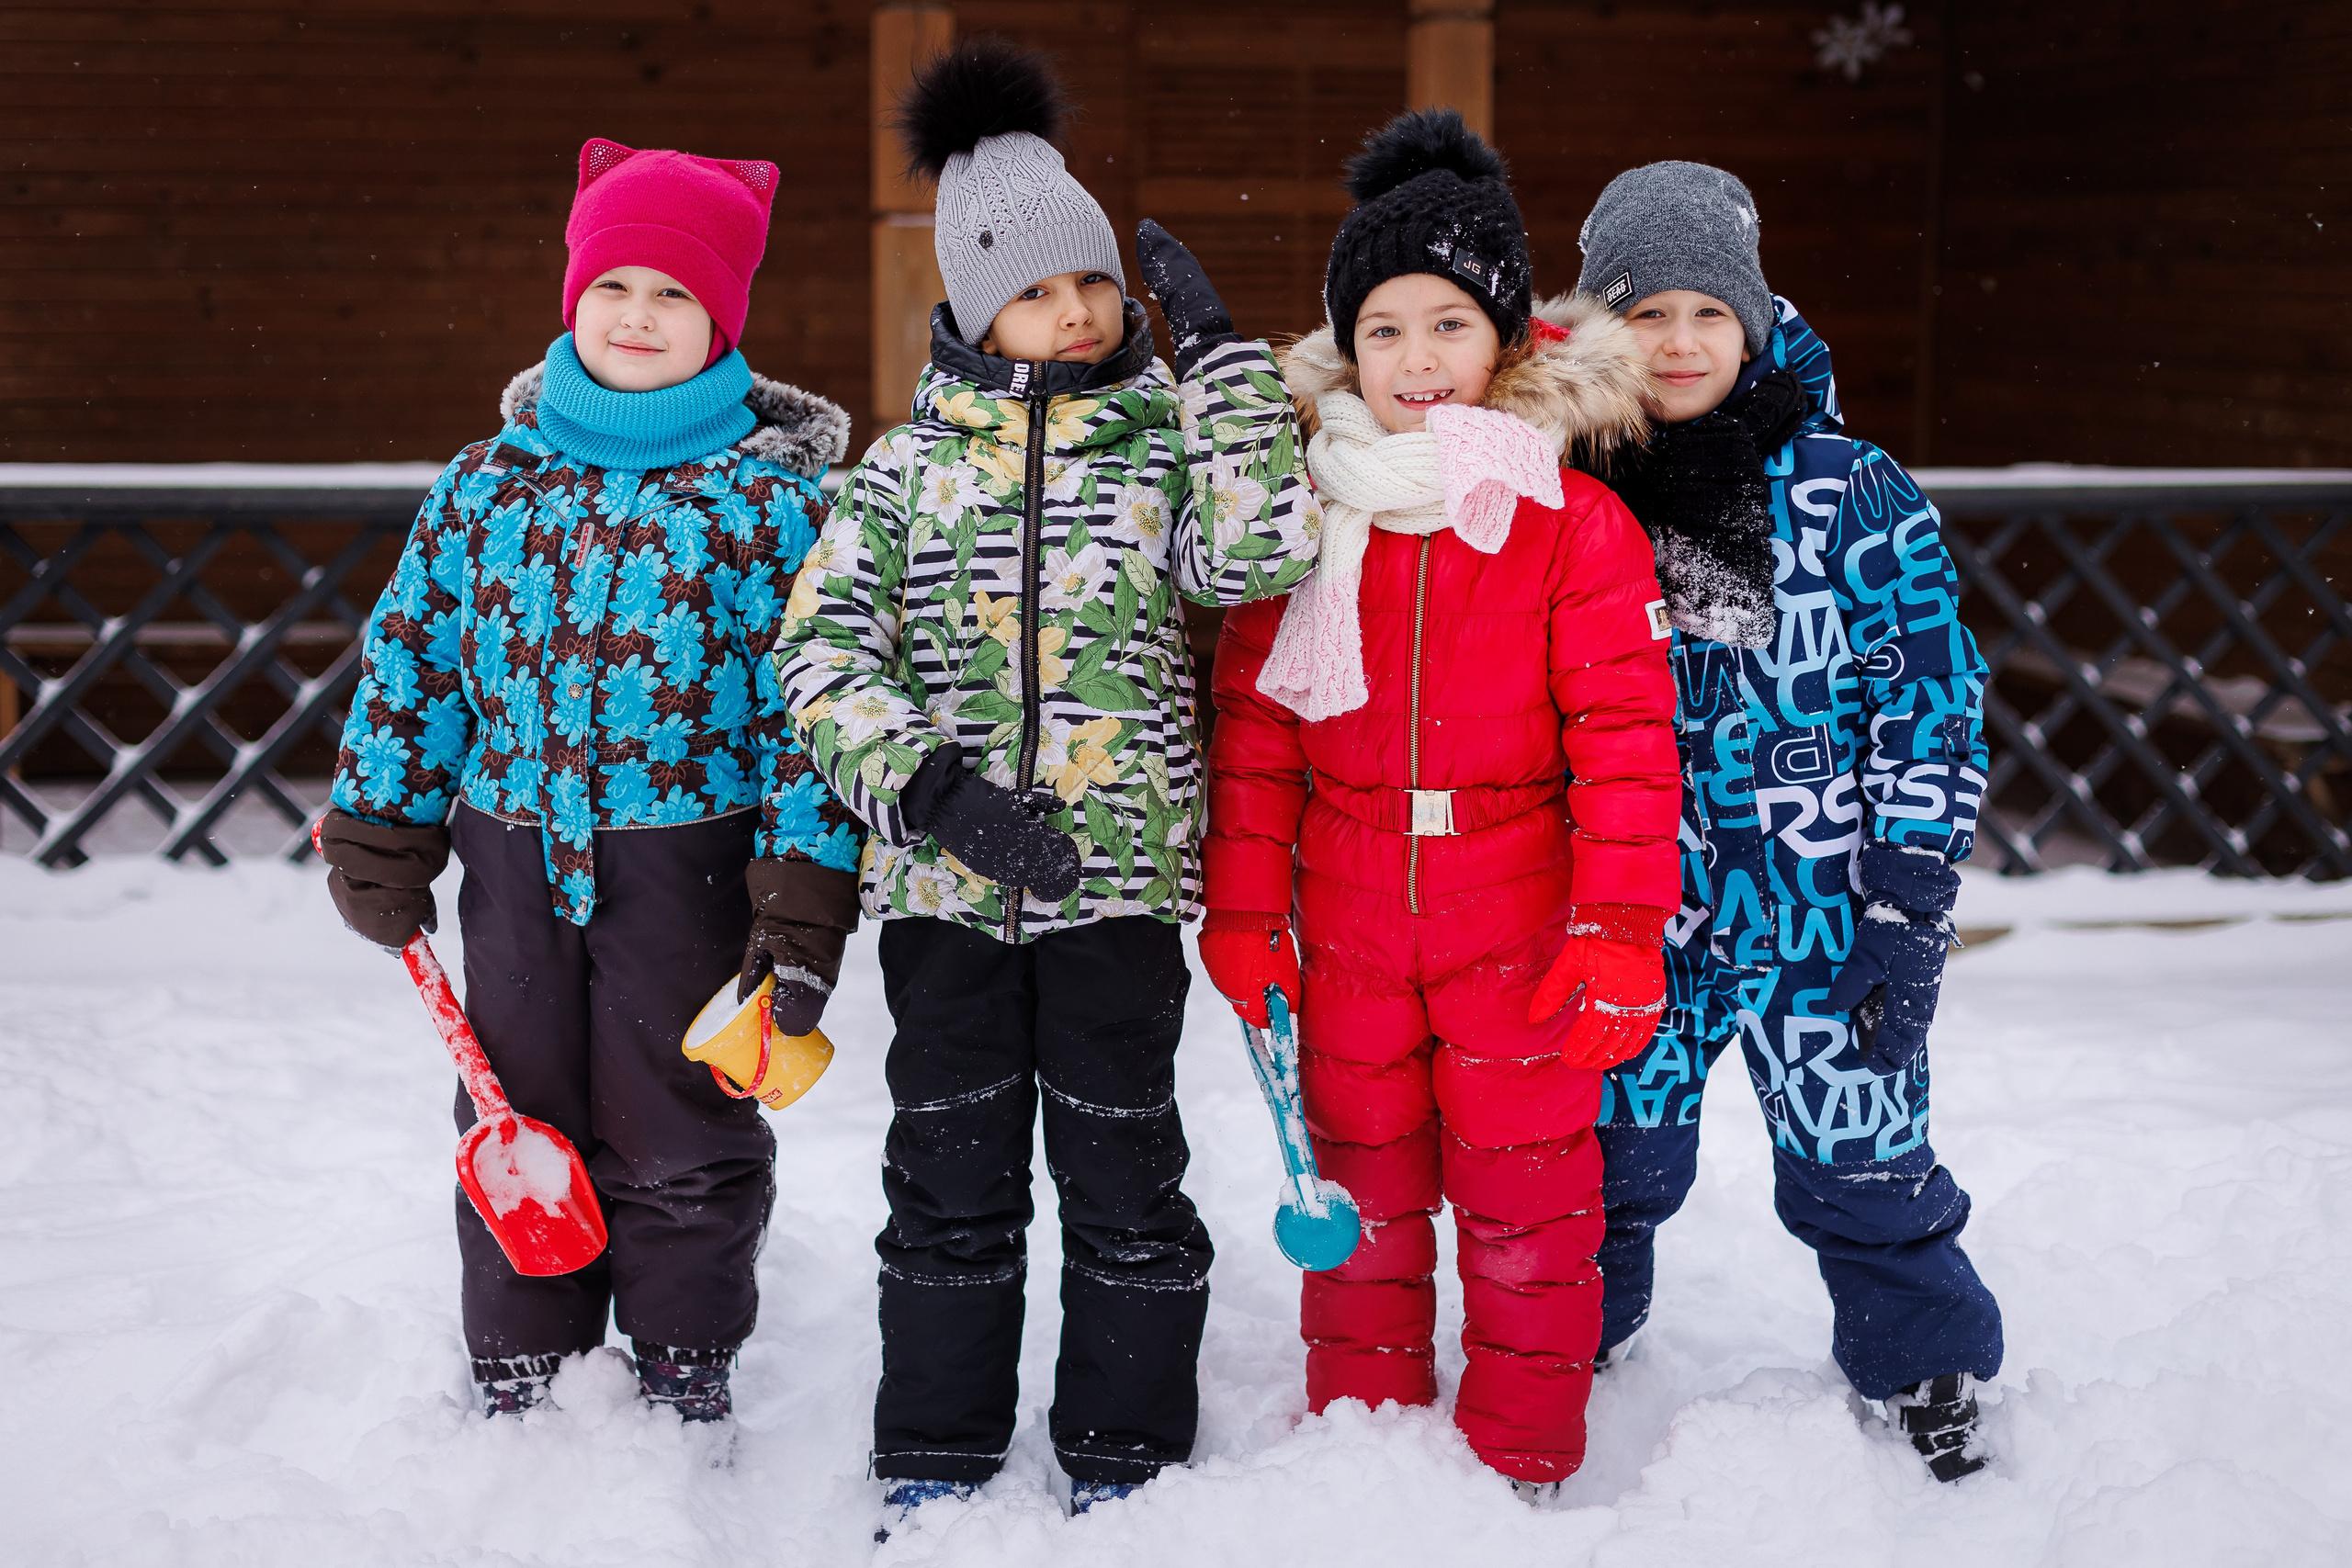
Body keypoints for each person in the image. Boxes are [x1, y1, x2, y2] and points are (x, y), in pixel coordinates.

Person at [769, 39, 1321, 1529]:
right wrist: (935, 793)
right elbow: (817, 653)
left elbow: (1259, 556)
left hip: (1116, 889)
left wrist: (1224, 377)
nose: (1073, 313)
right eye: (1033, 288)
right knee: (947, 1178)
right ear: (967, 304)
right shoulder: (899, 472)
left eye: (1090, 283)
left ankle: (1126, 1456)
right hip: (949, 888)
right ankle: (939, 1450)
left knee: (1125, 1172)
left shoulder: (1160, 441)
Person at [317, 138, 860, 1425]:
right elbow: (416, 659)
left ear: (724, 317)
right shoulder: (486, 485)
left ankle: (683, 1367)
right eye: (614, 285)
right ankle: (524, 1366)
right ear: (573, 297)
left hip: (694, 866)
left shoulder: (772, 507)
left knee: (682, 1129)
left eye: (675, 293)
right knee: (517, 1113)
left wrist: (801, 885)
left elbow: (814, 712)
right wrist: (382, 820)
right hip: (511, 861)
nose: (638, 316)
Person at [1197, 109, 1680, 1501]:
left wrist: (1617, 929)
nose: (1417, 359)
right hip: (1346, 915)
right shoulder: (1306, 512)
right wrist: (1245, 914)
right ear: (1349, 348)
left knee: (1531, 1202)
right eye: (1386, 330)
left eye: (1449, 325)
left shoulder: (1568, 524)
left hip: (1516, 915)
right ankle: (1366, 1441)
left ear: (1510, 341)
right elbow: (1261, 736)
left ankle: (1522, 1459)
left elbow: (1628, 744)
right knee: (1361, 1189)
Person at [1574, 160, 2003, 1482]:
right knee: (1604, 1156)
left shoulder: (1849, 489)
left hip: (1826, 907)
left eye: (1711, 312)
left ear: (1754, 322)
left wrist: (1905, 896)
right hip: (1641, 903)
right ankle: (1570, 1337)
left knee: (1862, 1150)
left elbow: (1931, 698)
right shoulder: (1570, 494)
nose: (1682, 340)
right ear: (1603, 333)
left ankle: (1918, 1354)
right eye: (1647, 315)